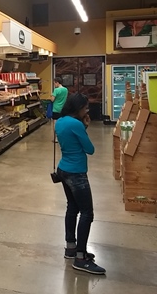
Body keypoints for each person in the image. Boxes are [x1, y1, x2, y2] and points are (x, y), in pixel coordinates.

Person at [55, 93, 106, 275]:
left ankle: (71, 247)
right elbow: (90, 149)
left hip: (63, 169)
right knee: (87, 213)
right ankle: (80, 257)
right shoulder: (76, 124)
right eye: (85, 107)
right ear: (78, 108)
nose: (87, 110)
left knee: (72, 208)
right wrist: (85, 127)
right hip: (76, 173)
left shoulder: (60, 121)